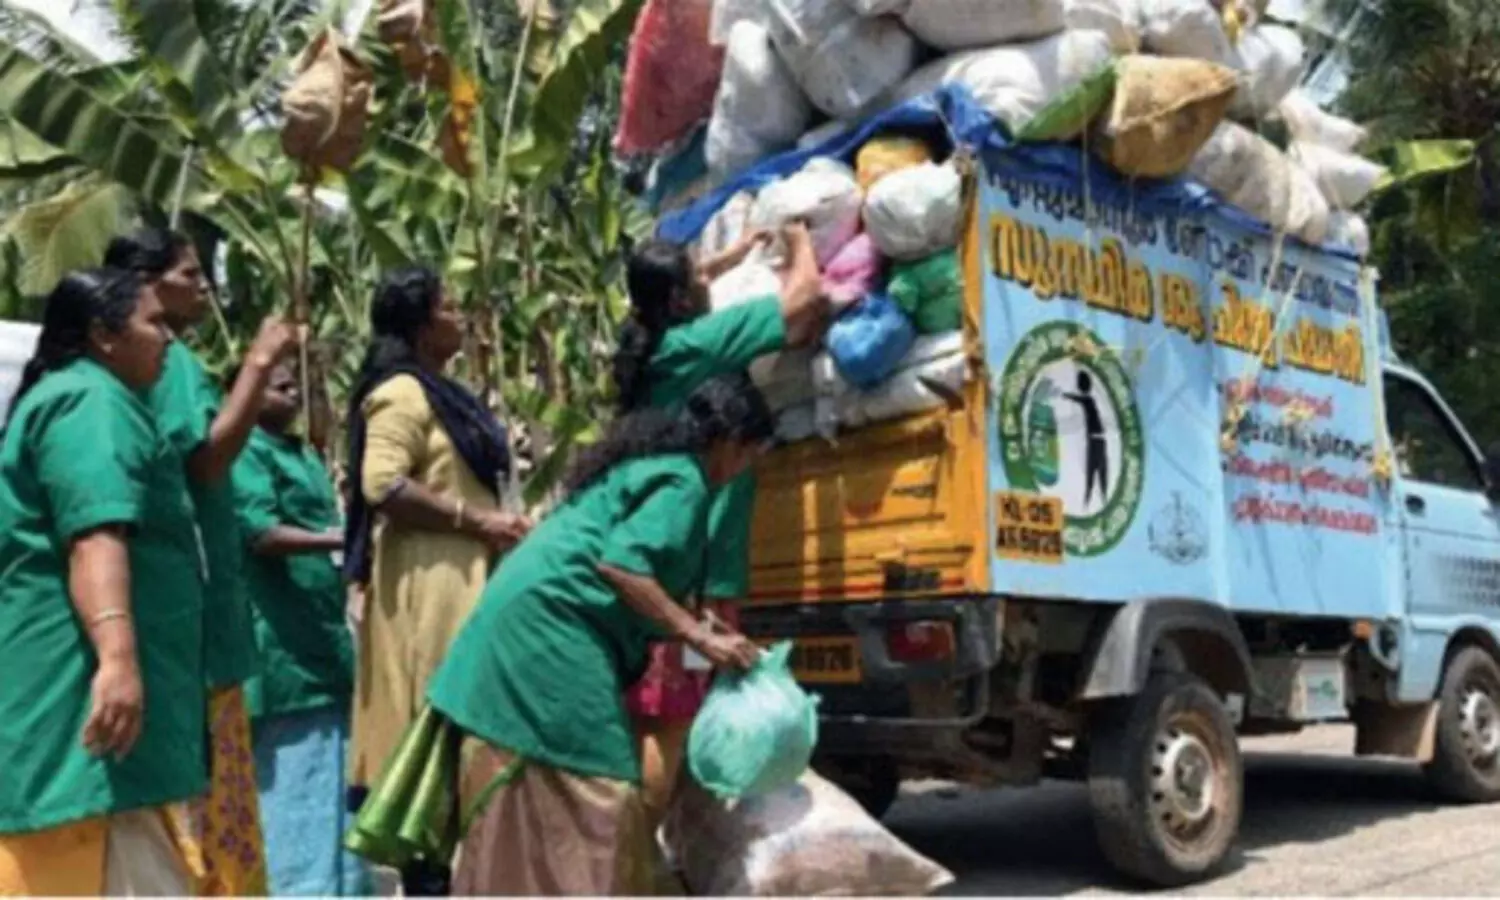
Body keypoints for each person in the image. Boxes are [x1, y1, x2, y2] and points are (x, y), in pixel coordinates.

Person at [424, 373, 772, 895]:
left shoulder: (654, 469)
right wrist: (700, 639)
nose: (743, 470)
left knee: (541, 787)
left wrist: (704, 629)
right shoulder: (685, 483)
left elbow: (642, 573)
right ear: (729, 442)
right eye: (749, 456)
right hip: (551, 628)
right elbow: (622, 567)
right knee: (602, 789)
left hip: (524, 618)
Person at [612, 221, 827, 828]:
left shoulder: (648, 344)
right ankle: (634, 858)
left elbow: (697, 278)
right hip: (698, 578)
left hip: (677, 568)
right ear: (680, 300)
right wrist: (800, 237)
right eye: (693, 279)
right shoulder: (697, 345)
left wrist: (734, 253)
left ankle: (669, 847)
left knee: (672, 717)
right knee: (672, 720)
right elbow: (804, 304)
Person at [0, 269, 205, 895]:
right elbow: (94, 535)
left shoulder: (84, 396)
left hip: (86, 726)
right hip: (82, 705)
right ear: (103, 335)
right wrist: (117, 659)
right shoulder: (90, 402)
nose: (168, 338)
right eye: (153, 322)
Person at [106, 227, 297, 896]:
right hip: (192, 626)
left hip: (193, 615)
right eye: (190, 274)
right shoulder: (170, 365)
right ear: (146, 282)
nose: (204, 287)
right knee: (207, 806)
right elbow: (208, 458)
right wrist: (258, 363)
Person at [342, 265, 530, 894]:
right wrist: (475, 520)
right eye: (448, 308)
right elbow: (382, 483)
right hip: (430, 583)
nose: (460, 318)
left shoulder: (444, 392)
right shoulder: (402, 393)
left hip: (470, 571)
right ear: (422, 327)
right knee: (440, 723)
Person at [230, 360, 371, 896]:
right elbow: (260, 532)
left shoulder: (302, 453)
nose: (292, 394)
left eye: (295, 385)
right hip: (280, 646)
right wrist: (344, 539)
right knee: (290, 785)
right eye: (279, 386)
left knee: (335, 783)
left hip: (321, 639)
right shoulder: (246, 450)